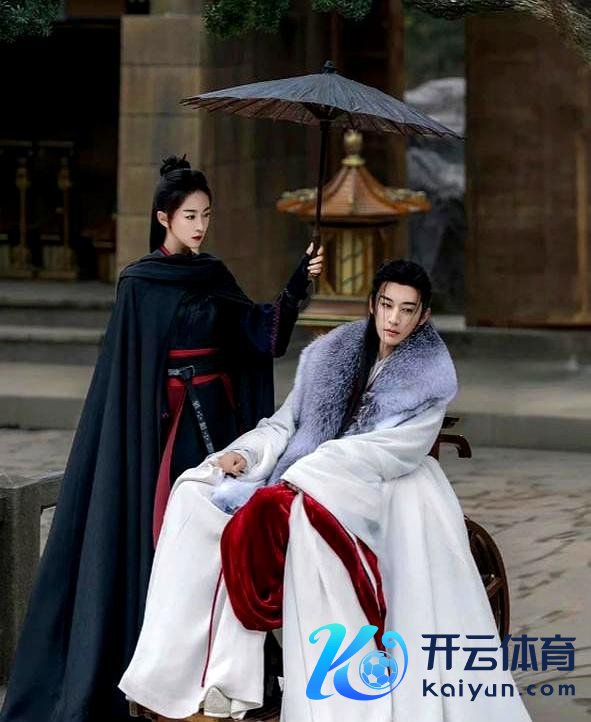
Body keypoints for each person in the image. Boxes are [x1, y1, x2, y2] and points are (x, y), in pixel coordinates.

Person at [119, 259, 532, 722]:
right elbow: (286, 424)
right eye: (387, 305)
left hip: (374, 485)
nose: (394, 319)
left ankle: (235, 686)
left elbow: (391, 450)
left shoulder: (429, 378)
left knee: (292, 519)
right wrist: (247, 454)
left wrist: (309, 475)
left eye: (407, 309)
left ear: (424, 316)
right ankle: (178, 676)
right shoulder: (332, 353)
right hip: (299, 474)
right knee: (195, 494)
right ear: (373, 304)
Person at [0, 156, 323, 722]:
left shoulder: (213, 274)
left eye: (207, 215)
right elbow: (127, 371)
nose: (200, 225)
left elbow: (259, 336)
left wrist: (297, 285)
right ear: (164, 218)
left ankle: (217, 671)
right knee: (164, 538)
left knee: (224, 535)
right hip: (163, 430)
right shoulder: (139, 282)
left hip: (218, 424)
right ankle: (158, 675)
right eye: (190, 215)